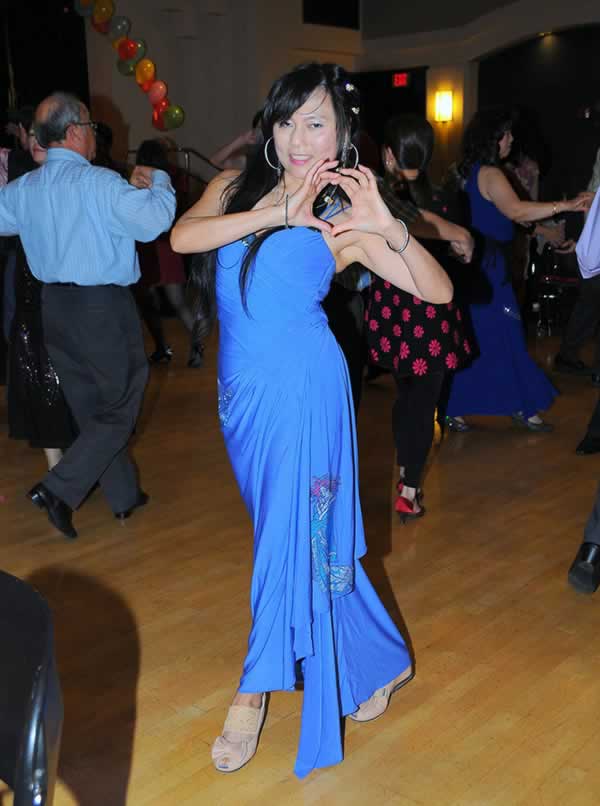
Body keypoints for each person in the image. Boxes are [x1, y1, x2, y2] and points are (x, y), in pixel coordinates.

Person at [171, 63, 453, 778]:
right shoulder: (231, 188)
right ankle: (379, 658)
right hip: (243, 402)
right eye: (288, 121)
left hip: (307, 397)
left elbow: (439, 292)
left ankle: (252, 689)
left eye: (317, 123)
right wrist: (274, 213)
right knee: (306, 538)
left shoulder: (343, 216)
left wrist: (388, 225)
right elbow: (182, 240)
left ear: (343, 134)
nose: (299, 138)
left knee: (281, 540)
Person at [0, 92, 176, 539]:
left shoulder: (24, 189)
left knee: (91, 409)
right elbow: (154, 222)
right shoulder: (100, 183)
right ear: (76, 131)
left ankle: (123, 495)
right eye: (92, 128)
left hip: (53, 308)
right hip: (101, 307)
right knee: (120, 406)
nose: (94, 136)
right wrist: (158, 179)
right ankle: (57, 489)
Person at [445, 107, 588, 433]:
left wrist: (545, 231)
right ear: (492, 138)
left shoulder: (472, 170)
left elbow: (507, 217)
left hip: (479, 265)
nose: (511, 139)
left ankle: (468, 405)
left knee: (485, 337)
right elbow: (516, 210)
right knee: (502, 335)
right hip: (487, 268)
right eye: (506, 133)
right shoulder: (491, 174)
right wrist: (565, 205)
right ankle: (517, 404)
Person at [367, 114, 474, 521]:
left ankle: (405, 475)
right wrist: (461, 240)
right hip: (431, 310)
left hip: (392, 309)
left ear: (388, 154)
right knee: (423, 402)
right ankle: (409, 488)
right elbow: (454, 251)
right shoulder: (442, 199)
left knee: (407, 395)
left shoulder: (376, 195)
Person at [7, 126, 76, 469]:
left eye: (42, 136)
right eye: (31, 136)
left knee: (64, 372)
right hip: (30, 285)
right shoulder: (22, 176)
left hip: (65, 290)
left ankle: (73, 456)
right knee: (35, 366)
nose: (36, 143)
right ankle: (54, 460)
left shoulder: (76, 180)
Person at [132, 139, 201, 367]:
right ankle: (196, 347)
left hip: (148, 246)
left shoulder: (137, 178)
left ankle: (162, 348)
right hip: (167, 245)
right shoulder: (172, 176)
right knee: (178, 302)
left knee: (148, 303)